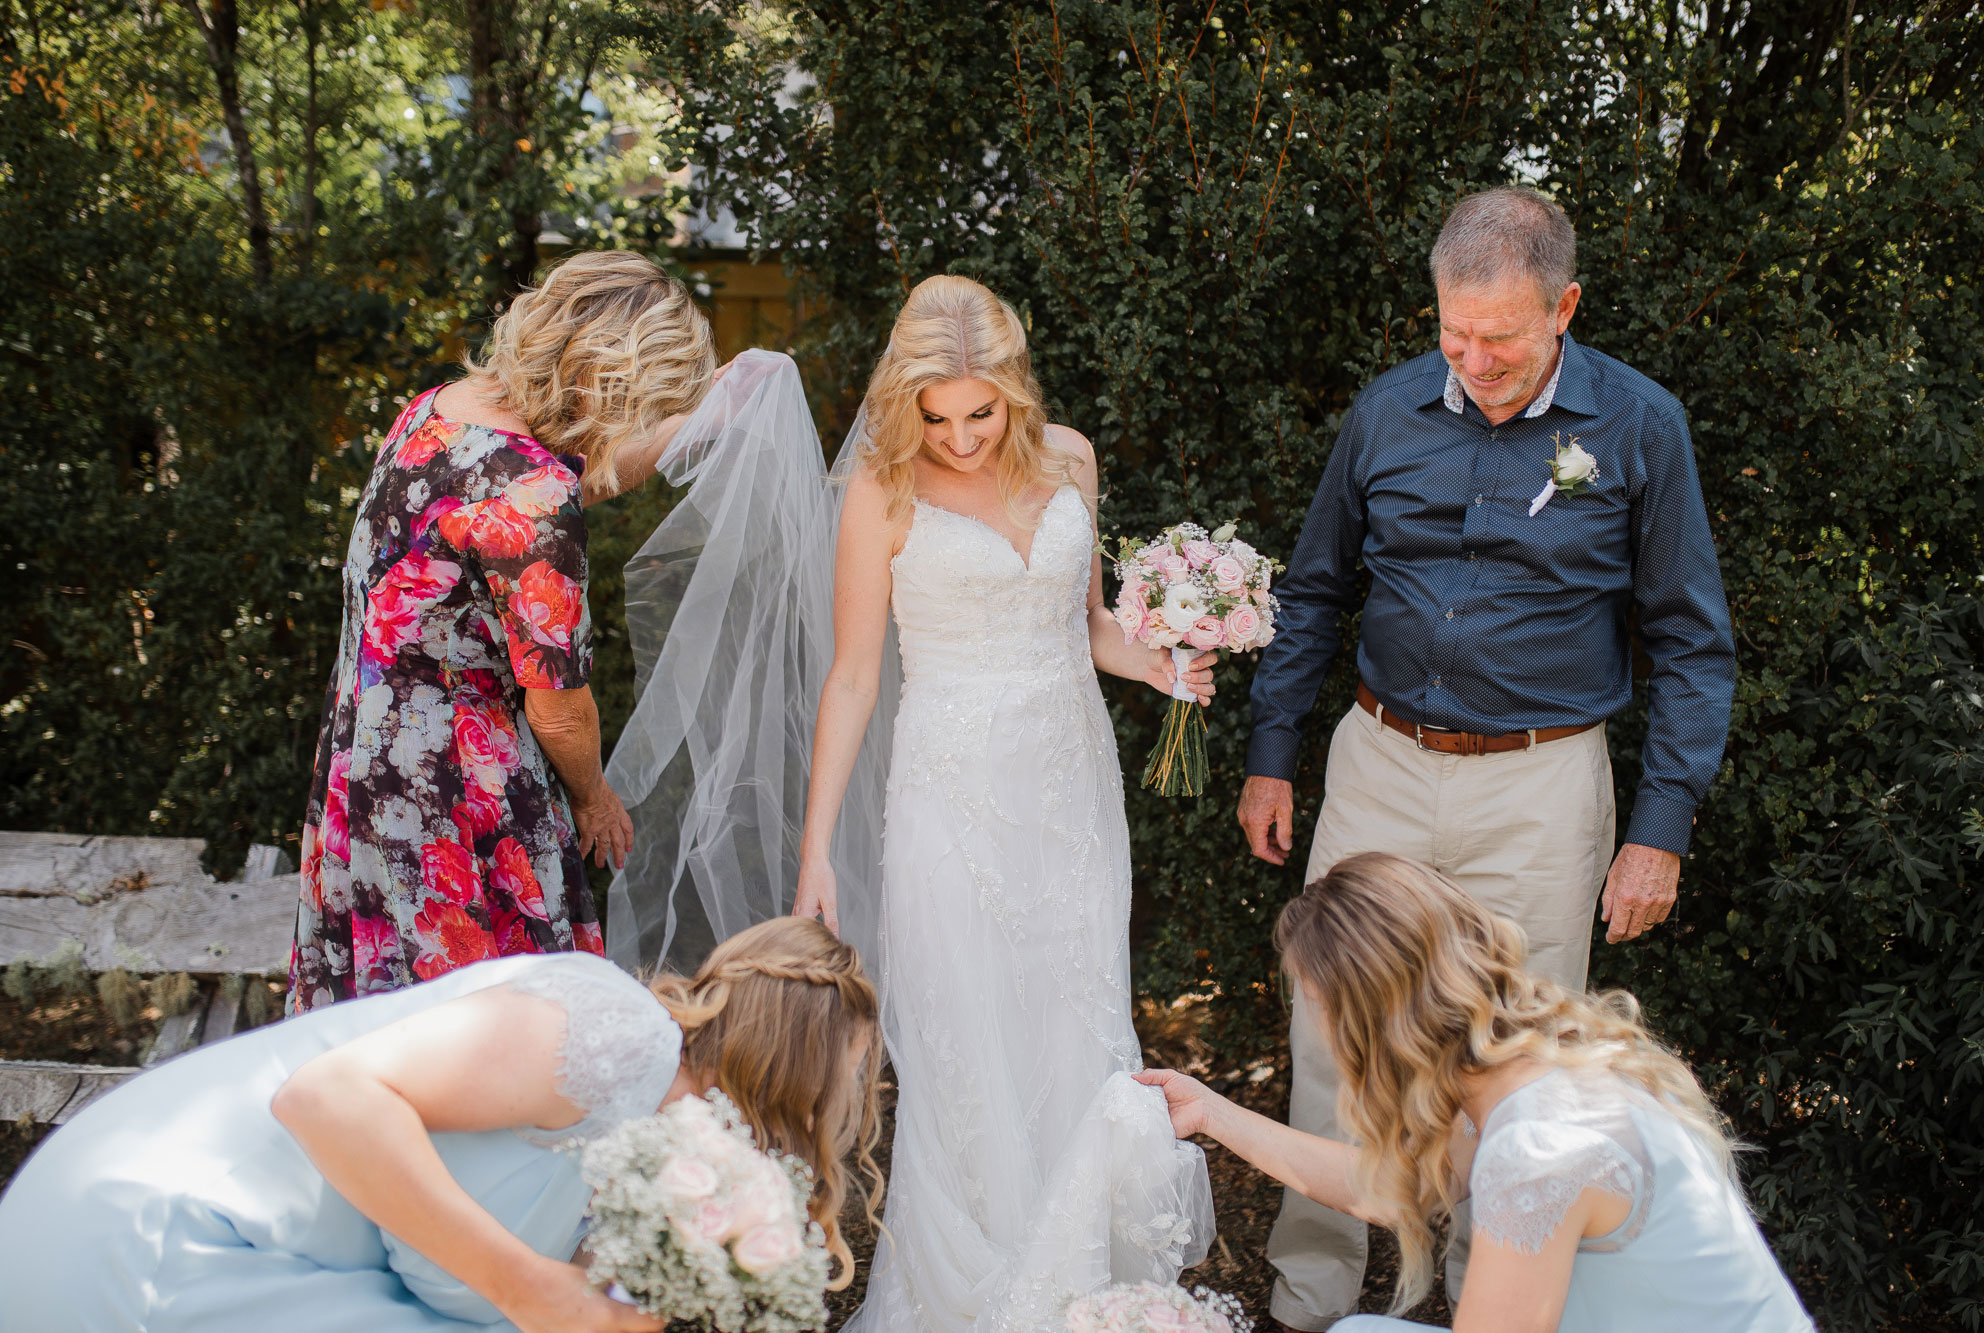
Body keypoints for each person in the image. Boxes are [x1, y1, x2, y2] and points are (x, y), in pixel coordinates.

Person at [1234, 186, 1736, 1329]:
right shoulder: (1385, 410)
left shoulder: (1638, 425)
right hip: (1379, 764)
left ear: (1563, 307)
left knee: (1524, 1064)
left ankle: (1482, 1304)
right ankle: (1304, 1298)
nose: (1473, 359)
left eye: (1499, 338)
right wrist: (1273, 750)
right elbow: (1315, 590)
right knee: (1328, 1032)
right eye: (1451, 334)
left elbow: (1690, 641)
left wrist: (1658, 828)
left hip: (1542, 782)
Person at [791, 273, 1216, 1329]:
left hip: (1070, 799)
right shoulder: (881, 491)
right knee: (966, 1051)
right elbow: (851, 678)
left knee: (1078, 1026)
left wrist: (1163, 666)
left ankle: (1091, 1291)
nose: (961, 436)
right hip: (951, 802)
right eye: (936, 416)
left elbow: (1088, 630)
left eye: (980, 412)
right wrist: (813, 855)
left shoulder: (1068, 459)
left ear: (1014, 392)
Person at [0, 916, 882, 1332]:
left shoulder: (667, 1154)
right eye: (843, 1092)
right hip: (157, 1241)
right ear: (793, 1074)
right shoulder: (619, 1034)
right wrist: (532, 1292)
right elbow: (327, 1096)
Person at [1139, 853, 1814, 1333]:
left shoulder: (1537, 1146)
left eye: (1318, 1006)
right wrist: (1211, 1111)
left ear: (1375, 1017)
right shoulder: (1538, 1059)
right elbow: (1387, 1187)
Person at [291, 250, 716, 1011]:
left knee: (378, 1020)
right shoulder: (534, 496)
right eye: (643, 405)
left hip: (367, 760)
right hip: (456, 790)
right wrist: (592, 797)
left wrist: (706, 409)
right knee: (489, 1026)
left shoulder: (437, 409)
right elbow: (558, 705)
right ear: (611, 383)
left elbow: (572, 478)